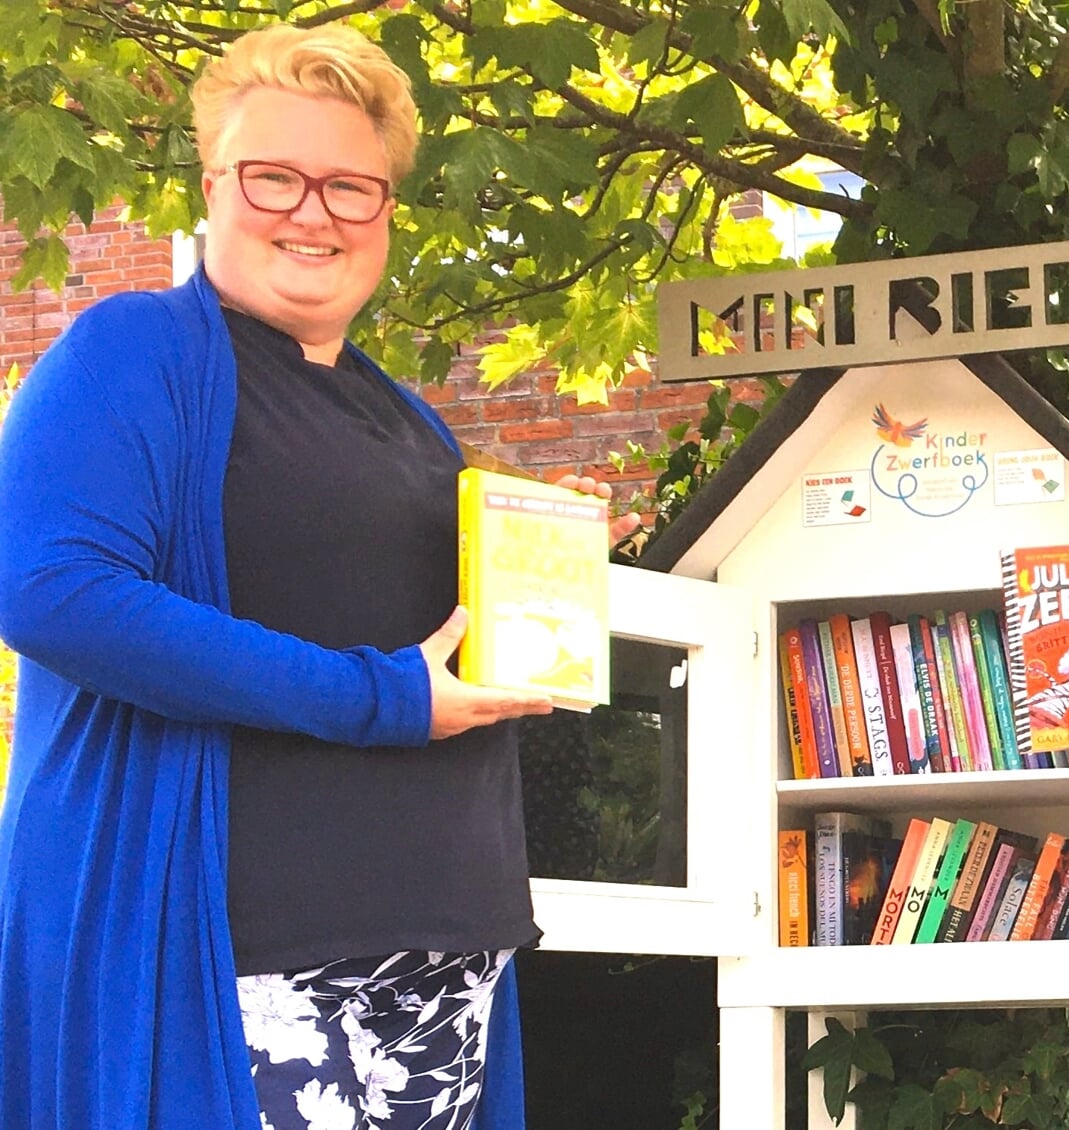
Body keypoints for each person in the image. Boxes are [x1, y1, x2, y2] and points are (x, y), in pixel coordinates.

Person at [0, 24, 638, 1130]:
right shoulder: (137, 350)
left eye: (350, 185)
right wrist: (374, 695)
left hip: (439, 947)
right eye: (274, 176)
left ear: (387, 209)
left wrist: (550, 574)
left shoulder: (409, 414)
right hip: (239, 957)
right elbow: (50, 586)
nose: (312, 210)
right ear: (212, 186)